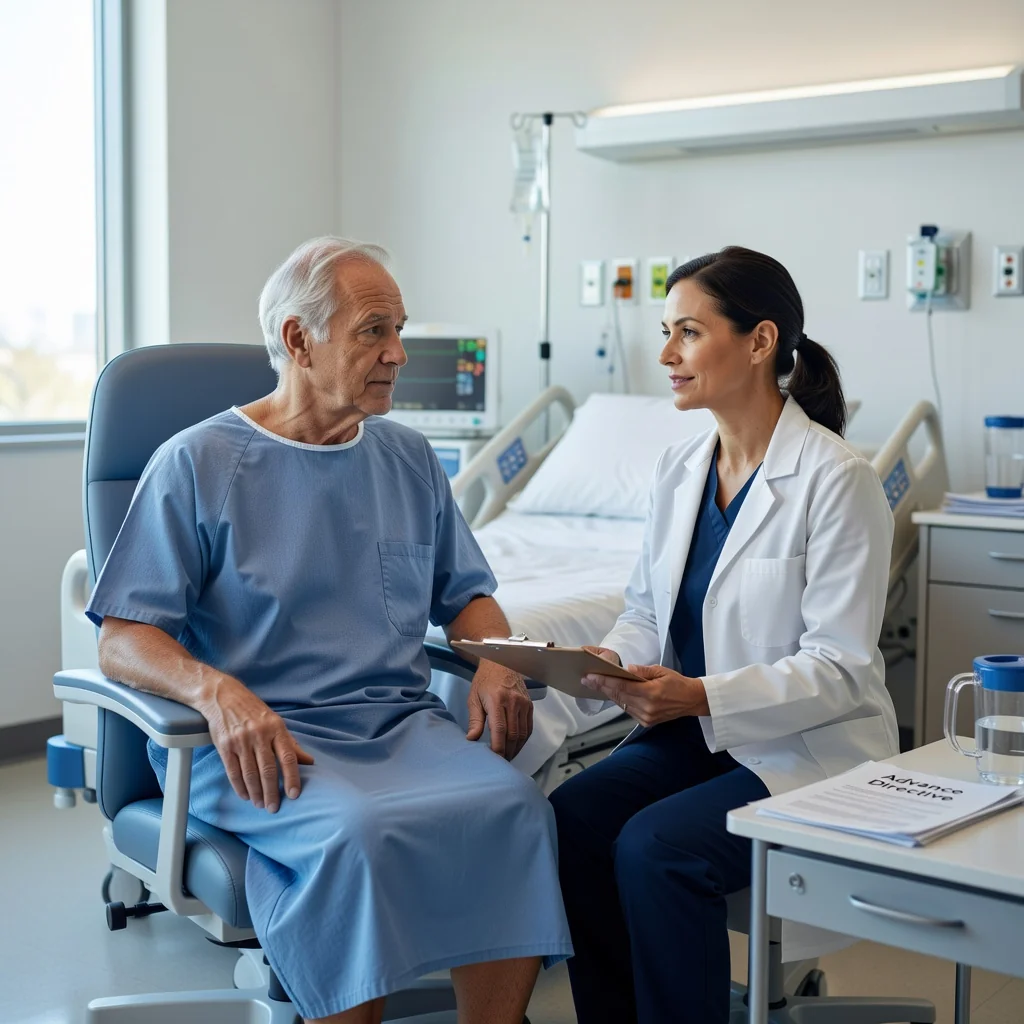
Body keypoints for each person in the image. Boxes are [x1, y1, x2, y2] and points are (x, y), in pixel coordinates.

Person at [85, 237, 572, 1024]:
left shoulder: (408, 459)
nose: (399, 353)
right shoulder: (197, 464)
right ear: (297, 339)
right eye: (374, 330)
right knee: (358, 833)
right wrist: (219, 693)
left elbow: (468, 598)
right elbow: (123, 638)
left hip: (397, 727)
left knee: (515, 807)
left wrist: (495, 663)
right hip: (261, 741)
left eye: (399, 330)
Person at [549, 246, 898, 1024]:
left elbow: (840, 667)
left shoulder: (838, 480)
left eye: (689, 333)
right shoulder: (681, 468)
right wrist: (613, 658)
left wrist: (699, 693)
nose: (667, 355)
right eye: (666, 332)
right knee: (571, 816)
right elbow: (647, 608)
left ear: (760, 341)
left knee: (655, 848)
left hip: (808, 748)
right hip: (697, 734)